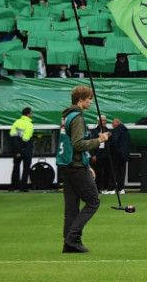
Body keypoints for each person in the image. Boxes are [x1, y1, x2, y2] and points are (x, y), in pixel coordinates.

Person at [59, 85, 107, 254]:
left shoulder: (67, 116)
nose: (90, 102)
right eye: (89, 99)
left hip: (67, 165)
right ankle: (73, 237)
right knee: (94, 201)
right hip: (75, 166)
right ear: (80, 99)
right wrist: (99, 140)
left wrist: (87, 165)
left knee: (71, 208)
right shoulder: (78, 117)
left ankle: (68, 243)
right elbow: (78, 144)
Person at [8, 107, 36, 191]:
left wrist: (17, 150)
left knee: (16, 167)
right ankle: (23, 187)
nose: (32, 114)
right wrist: (22, 149)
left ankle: (13, 186)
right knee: (26, 168)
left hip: (16, 148)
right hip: (26, 149)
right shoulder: (30, 124)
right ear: (28, 114)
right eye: (31, 113)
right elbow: (26, 138)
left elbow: (12, 135)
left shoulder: (16, 122)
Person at [105, 117, 131, 193]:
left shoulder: (116, 131)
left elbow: (114, 141)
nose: (112, 124)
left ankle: (112, 189)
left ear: (117, 123)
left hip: (116, 155)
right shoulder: (126, 131)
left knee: (114, 171)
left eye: (113, 123)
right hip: (124, 155)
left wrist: (108, 141)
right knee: (122, 172)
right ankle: (121, 188)